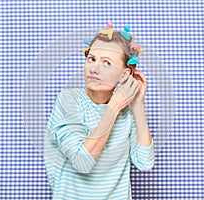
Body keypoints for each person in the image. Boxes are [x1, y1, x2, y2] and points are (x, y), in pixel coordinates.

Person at [44, 23, 155, 200]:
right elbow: (82, 162)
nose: (94, 69)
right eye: (91, 59)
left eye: (107, 63)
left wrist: (137, 105)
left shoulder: (127, 110)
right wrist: (114, 107)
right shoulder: (68, 100)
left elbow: (144, 162)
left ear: (124, 74)